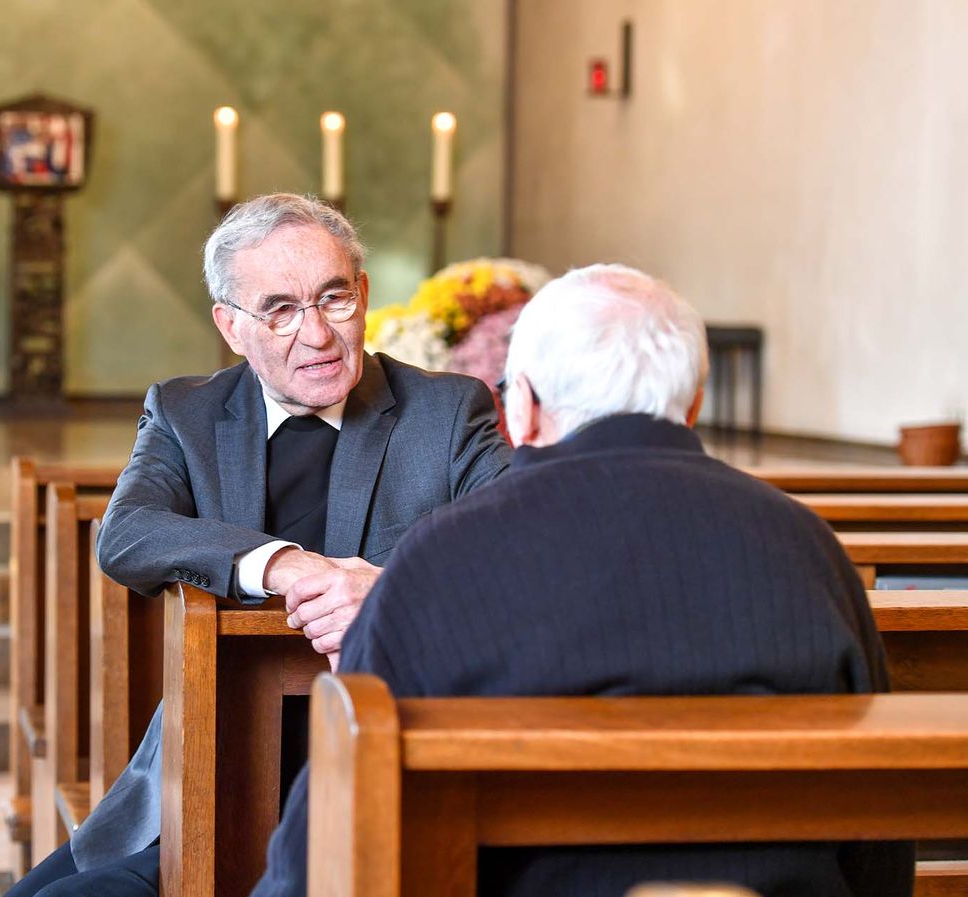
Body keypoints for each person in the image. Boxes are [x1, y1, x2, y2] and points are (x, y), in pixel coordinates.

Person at [252, 263, 914, 897]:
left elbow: (332, 835)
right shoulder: (806, 545)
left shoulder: (441, 557)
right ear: (693, 404)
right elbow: (876, 832)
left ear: (526, 406)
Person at [7, 193, 512, 897]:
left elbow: (515, 550)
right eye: (279, 309)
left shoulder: (448, 411)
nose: (317, 334)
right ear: (231, 326)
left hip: (383, 771)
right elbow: (126, 533)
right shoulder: (187, 412)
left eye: (334, 298)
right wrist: (280, 562)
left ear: (363, 294)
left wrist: (386, 588)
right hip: (217, 773)